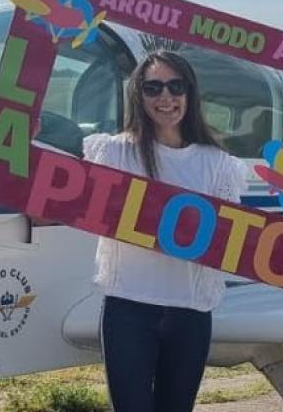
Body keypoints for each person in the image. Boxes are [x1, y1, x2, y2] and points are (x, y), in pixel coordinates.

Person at [84, 50, 247, 412]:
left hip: (189, 313)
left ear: (190, 93)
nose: (165, 98)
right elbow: (63, 201)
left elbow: (229, 240)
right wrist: (17, 144)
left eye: (176, 86)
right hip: (128, 308)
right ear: (138, 95)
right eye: (153, 87)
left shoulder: (217, 164)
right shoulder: (112, 153)